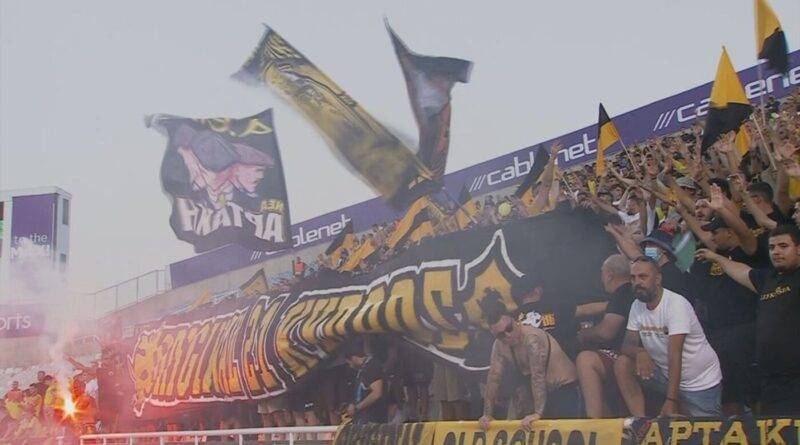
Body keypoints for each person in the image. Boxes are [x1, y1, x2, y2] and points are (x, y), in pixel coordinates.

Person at [695, 225, 800, 414]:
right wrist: (717, 257)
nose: (776, 252)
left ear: (798, 249)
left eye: (783, 246)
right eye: (772, 247)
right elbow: (742, 271)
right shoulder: (769, 278)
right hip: (770, 379)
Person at [614, 256, 722, 417]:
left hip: (699, 383)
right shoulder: (637, 305)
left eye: (643, 277)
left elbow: (675, 355)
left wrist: (671, 400)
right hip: (665, 376)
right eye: (633, 278)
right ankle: (641, 422)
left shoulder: (676, 305)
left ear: (657, 279)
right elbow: (627, 345)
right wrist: (640, 352)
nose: (637, 282)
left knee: (704, 431)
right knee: (623, 363)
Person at [478, 293, 579, 432]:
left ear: (516, 322)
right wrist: (487, 414)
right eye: (501, 334)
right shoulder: (499, 345)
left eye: (509, 329)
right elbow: (494, 377)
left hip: (564, 389)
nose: (507, 335)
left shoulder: (531, 339)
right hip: (540, 394)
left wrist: (537, 413)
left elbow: (538, 375)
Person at [576, 254, 635, 418]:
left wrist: (583, 334)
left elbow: (606, 333)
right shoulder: (632, 292)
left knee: (585, 360)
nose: (602, 280)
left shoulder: (622, 294)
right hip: (634, 356)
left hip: (629, 358)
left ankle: (595, 422)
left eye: (602, 274)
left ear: (609, 275)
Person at [343, 343, 387, 424]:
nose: (350, 366)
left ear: (353, 358)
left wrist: (357, 408)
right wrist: (352, 404)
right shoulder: (362, 369)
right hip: (363, 418)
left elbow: (377, 393)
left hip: (373, 419)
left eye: (349, 362)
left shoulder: (372, 367)